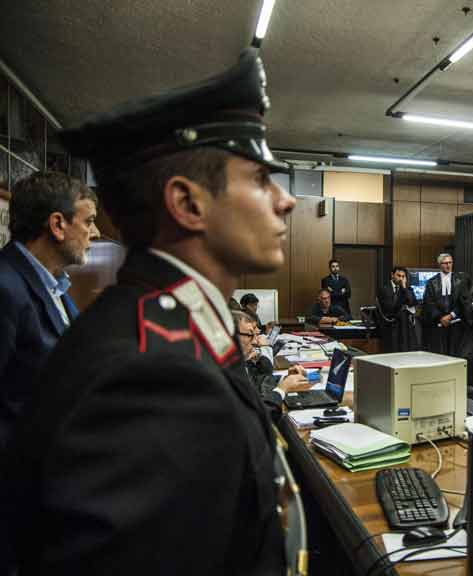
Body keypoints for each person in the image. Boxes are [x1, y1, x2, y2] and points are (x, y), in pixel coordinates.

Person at [2, 49, 298, 574]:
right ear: (187, 204)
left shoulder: (173, 317)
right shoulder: (153, 373)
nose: (285, 200)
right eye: (259, 178)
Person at [0, 171, 99, 457]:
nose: (95, 233)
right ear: (57, 225)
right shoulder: (5, 287)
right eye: (88, 221)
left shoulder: (56, 287)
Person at [234, 309, 308, 404]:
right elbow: (256, 410)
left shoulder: (242, 362)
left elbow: (258, 382)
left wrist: (286, 379)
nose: (255, 341)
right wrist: (281, 390)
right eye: (250, 334)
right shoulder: (224, 376)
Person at [422, 253, 468, 356]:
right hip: (438, 323)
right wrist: (440, 317)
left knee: (454, 353)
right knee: (439, 354)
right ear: (440, 264)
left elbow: (463, 302)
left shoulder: (460, 281)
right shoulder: (431, 282)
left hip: (456, 323)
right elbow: (429, 303)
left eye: (450, 262)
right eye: (445, 263)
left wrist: (451, 315)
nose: (448, 265)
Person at [376, 266, 418, 352]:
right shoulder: (384, 289)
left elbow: (412, 302)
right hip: (391, 327)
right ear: (392, 275)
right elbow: (391, 308)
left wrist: (404, 289)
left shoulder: (407, 288)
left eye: (403, 276)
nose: (401, 279)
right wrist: (403, 295)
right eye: (398, 276)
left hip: (405, 327)